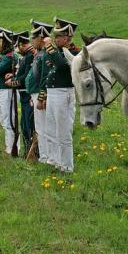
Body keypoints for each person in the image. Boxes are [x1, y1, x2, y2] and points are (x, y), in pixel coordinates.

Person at [42, 17, 80, 173]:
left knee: (63, 131)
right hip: (53, 92)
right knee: (51, 129)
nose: (55, 39)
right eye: (54, 36)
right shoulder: (57, 51)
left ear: (67, 37)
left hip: (64, 92)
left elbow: (61, 64)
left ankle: (67, 165)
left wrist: (50, 47)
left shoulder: (74, 52)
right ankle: (55, 160)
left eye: (58, 37)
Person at [25, 20, 54, 163]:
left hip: (40, 95)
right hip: (35, 94)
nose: (31, 41)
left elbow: (45, 78)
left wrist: (41, 98)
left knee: (44, 128)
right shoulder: (40, 54)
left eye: (33, 38)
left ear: (41, 37)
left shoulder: (45, 54)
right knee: (40, 128)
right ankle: (44, 156)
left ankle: (46, 157)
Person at [0, 26, 20, 154]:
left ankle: (12, 148)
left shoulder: (9, 57)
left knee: (9, 121)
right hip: (0, 90)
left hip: (6, 91)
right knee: (4, 119)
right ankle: (10, 147)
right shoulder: (3, 55)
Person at [5, 30, 36, 155]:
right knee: (24, 125)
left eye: (18, 46)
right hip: (23, 94)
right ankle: (28, 151)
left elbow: (25, 77)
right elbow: (22, 73)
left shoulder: (29, 56)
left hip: (27, 94)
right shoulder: (26, 56)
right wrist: (13, 75)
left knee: (28, 126)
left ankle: (32, 152)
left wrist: (13, 81)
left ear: (21, 44)